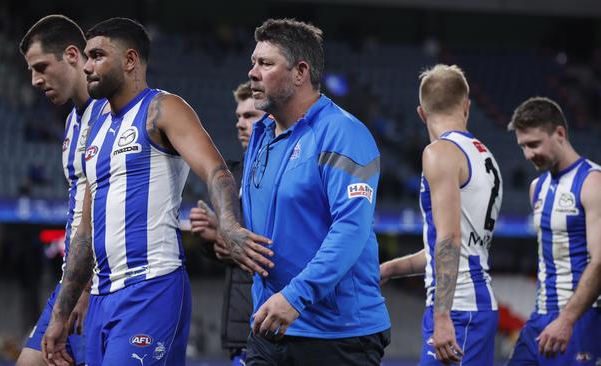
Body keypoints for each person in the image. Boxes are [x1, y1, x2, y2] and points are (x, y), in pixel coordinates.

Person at [41, 18, 271, 366]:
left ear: (130, 60)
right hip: (103, 298)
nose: (86, 66)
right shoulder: (96, 127)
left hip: (152, 288)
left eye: (98, 55)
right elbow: (85, 233)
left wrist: (230, 225)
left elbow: (215, 170)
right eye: (86, 57)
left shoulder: (162, 109)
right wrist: (61, 313)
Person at [237, 18, 390, 365]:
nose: (253, 72)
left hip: (339, 334)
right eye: (253, 62)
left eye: (265, 63)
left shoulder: (343, 133)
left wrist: (295, 297)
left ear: (300, 71)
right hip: (269, 326)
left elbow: (351, 227)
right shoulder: (261, 135)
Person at [379, 64, 502, 365]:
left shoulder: (440, 153)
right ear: (466, 106)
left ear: (421, 112)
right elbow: (446, 246)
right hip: (476, 306)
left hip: (457, 310)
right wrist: (389, 270)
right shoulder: (484, 155)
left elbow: (449, 239)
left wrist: (443, 316)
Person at [17, 14, 108, 366]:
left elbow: (104, 203)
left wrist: (84, 288)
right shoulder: (72, 121)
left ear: (73, 55)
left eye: (41, 67)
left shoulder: (113, 113)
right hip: (72, 275)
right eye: (30, 71)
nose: (36, 80)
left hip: (100, 280)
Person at [506, 97, 601, 365]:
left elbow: (600, 261)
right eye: (523, 146)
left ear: (560, 133)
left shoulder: (592, 182)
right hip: (540, 318)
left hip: (581, 320)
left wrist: (566, 319)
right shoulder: (537, 187)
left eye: (534, 144)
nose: (528, 154)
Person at [189, 81, 265, 365]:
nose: (240, 124)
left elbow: (266, 241)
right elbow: (227, 253)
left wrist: (221, 232)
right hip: (241, 324)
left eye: (249, 116)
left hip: (278, 321)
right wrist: (210, 239)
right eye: (238, 117)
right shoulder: (231, 176)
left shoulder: (288, 171)